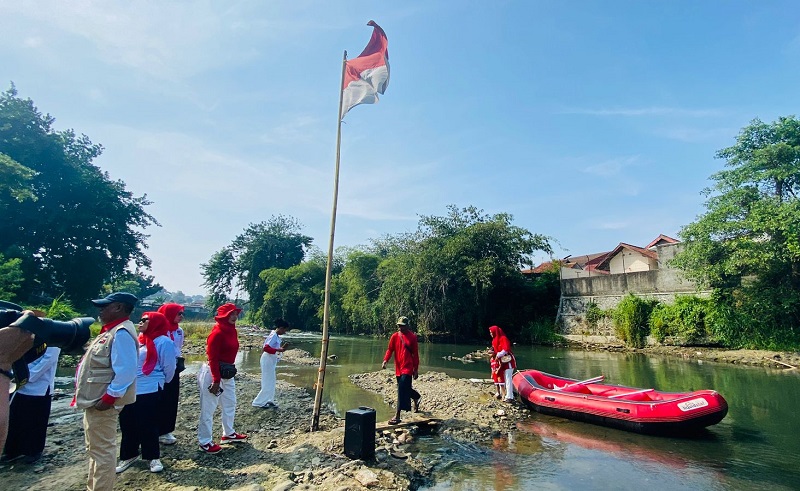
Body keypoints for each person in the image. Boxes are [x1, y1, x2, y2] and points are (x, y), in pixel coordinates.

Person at [74, 292, 139, 491]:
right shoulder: (112, 331)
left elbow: (126, 371)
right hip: (95, 401)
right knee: (95, 449)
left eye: (105, 307)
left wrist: (109, 398)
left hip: (102, 403)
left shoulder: (121, 333)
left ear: (119, 307)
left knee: (102, 452)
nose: (100, 310)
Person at [116, 311, 176, 474]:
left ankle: (153, 457)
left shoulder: (164, 342)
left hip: (150, 388)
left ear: (156, 323)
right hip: (131, 387)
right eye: (140, 320)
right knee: (127, 423)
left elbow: (169, 368)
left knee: (148, 424)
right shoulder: (138, 340)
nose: (140, 322)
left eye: (145, 320)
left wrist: (160, 382)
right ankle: (129, 455)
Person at [197, 303, 247, 454]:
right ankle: (205, 441)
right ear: (223, 316)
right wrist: (216, 380)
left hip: (227, 373)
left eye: (235, 314)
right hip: (213, 373)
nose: (234, 317)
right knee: (208, 408)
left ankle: (228, 433)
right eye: (231, 314)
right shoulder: (217, 333)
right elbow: (212, 358)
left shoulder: (232, 331)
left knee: (230, 402)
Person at [2, 345, 61, 464]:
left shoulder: (53, 341)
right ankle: (12, 451)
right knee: (15, 419)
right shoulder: (30, 338)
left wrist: (26, 376)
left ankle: (33, 451)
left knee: (35, 421)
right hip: (20, 383)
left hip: (40, 386)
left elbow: (48, 360)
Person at [381, 316, 421, 425]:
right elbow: (390, 349)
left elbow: (415, 354)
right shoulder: (395, 336)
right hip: (398, 367)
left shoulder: (412, 337)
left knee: (401, 389)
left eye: (403, 326)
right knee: (405, 389)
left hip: (408, 367)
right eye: (399, 326)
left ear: (407, 326)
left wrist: (416, 369)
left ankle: (397, 415)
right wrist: (385, 360)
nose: (401, 328)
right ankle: (416, 397)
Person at [156, 303, 185, 445]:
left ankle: (166, 430)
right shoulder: (158, 330)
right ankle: (155, 430)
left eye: (182, 314)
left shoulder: (179, 331)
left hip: (173, 367)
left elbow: (178, 348)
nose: (181, 316)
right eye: (178, 313)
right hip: (157, 369)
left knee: (171, 398)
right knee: (157, 399)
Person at [252, 318, 289, 409]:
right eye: (284, 330)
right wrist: (278, 349)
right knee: (267, 381)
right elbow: (266, 348)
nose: (285, 332)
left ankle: (269, 400)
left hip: (270, 359)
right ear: (281, 328)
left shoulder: (275, 335)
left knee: (271, 381)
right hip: (267, 359)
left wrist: (278, 350)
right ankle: (258, 402)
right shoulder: (273, 335)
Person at [489, 325, 516, 403]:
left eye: (491, 332)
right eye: (490, 333)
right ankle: (502, 393)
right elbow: (494, 350)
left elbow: (506, 349)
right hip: (501, 362)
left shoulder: (503, 338)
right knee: (503, 377)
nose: (491, 334)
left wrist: (498, 355)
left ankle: (509, 396)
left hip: (508, 361)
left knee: (508, 378)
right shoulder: (494, 341)